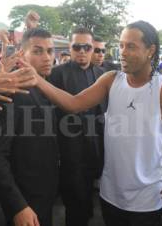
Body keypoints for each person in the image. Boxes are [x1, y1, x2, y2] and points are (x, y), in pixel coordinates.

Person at [20, 20, 162, 226]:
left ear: (150, 51)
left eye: (131, 46)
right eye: (120, 45)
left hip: (147, 199)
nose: (123, 52)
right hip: (110, 195)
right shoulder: (111, 80)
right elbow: (74, 104)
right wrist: (37, 79)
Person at [0, 28, 59, 226]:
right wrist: (17, 206)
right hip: (26, 200)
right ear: (22, 54)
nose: (47, 57)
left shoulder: (47, 87)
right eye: (38, 51)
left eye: (50, 51)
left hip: (46, 191)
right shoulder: (13, 91)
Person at [49, 27, 106, 226]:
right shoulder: (56, 75)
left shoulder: (103, 75)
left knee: (89, 197)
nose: (82, 51)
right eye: (77, 46)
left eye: (87, 47)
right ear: (70, 48)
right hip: (69, 151)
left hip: (96, 148)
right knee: (74, 203)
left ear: (92, 48)